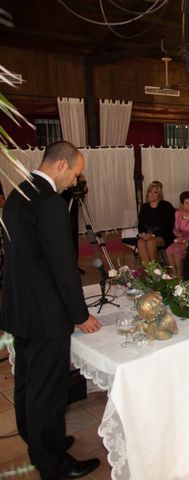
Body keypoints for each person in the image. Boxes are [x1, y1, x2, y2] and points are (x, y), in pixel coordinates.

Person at [0, 141, 101, 479]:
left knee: (28, 384)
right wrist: (80, 314)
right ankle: (53, 464)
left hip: (19, 307)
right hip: (46, 315)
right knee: (47, 392)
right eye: (74, 174)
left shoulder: (17, 193)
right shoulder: (50, 204)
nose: (74, 182)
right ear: (60, 165)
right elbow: (62, 266)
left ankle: (43, 441)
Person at [165, 191, 189, 279]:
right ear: (182, 204)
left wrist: (185, 240)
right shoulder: (178, 213)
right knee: (168, 250)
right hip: (180, 239)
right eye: (186, 203)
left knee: (176, 252)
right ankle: (174, 275)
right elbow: (175, 229)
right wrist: (180, 237)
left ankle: (180, 276)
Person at [137, 182, 175, 264]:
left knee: (151, 242)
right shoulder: (144, 207)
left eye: (155, 192)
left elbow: (168, 225)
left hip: (163, 235)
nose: (151, 194)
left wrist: (153, 235)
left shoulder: (166, 205)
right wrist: (142, 234)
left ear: (159, 194)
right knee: (140, 242)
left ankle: (156, 271)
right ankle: (150, 271)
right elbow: (140, 224)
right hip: (148, 235)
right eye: (150, 192)